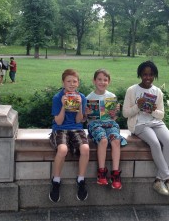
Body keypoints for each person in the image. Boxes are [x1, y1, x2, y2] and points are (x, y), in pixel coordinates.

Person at [122, 60, 169, 198]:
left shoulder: (157, 91)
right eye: (144, 74)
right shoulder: (132, 90)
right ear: (140, 75)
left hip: (155, 122)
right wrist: (137, 106)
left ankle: (159, 180)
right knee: (154, 143)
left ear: (154, 75)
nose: (147, 77)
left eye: (151, 75)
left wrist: (153, 111)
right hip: (139, 124)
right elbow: (125, 113)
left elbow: (161, 115)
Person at [49, 69, 90, 202]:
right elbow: (58, 121)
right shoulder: (57, 97)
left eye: (74, 81)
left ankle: (81, 179)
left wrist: (79, 107)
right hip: (60, 128)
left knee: (85, 148)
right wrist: (63, 105)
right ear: (63, 82)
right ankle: (56, 180)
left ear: (78, 83)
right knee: (62, 149)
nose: (72, 84)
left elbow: (79, 120)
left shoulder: (81, 97)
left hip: (76, 128)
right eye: (68, 81)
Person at [86, 69, 127, 190]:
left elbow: (114, 118)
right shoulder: (89, 97)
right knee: (103, 140)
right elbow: (85, 118)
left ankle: (115, 174)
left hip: (110, 123)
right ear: (94, 81)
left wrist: (115, 113)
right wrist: (86, 113)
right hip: (95, 124)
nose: (102, 82)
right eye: (99, 79)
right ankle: (101, 172)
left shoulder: (111, 96)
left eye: (105, 80)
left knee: (115, 140)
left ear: (108, 82)